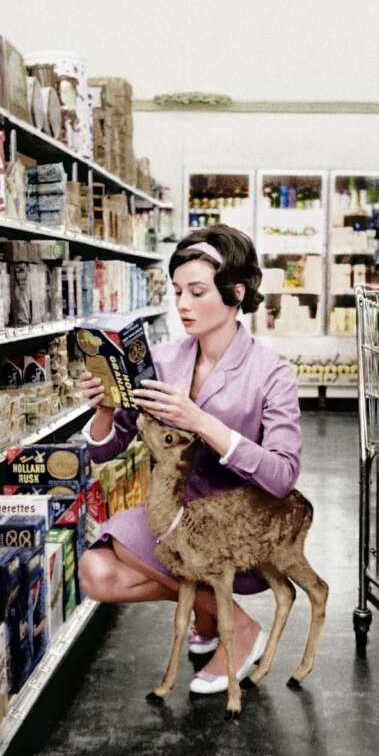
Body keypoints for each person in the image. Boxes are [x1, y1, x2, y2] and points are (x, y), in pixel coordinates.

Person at [77, 224, 303, 694]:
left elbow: (282, 476)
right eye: (178, 290)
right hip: (176, 514)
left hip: (238, 523)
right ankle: (223, 618)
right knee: (95, 572)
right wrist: (104, 406)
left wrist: (202, 422)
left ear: (235, 292)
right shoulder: (160, 360)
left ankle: (229, 626)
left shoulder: (272, 372)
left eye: (197, 292)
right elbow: (106, 449)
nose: (182, 304)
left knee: (122, 548)